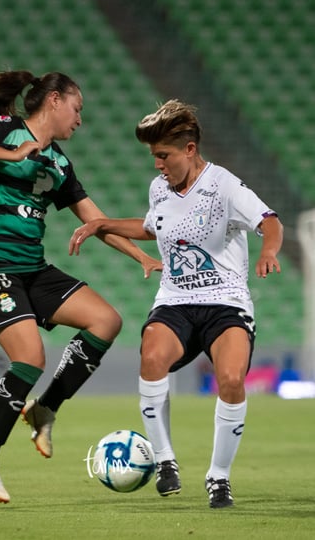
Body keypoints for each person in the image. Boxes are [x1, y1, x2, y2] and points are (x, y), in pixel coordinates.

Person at [0, 70, 161, 503]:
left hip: (31, 267)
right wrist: (10, 155)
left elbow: (93, 218)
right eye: (77, 109)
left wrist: (140, 255)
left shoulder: (59, 162)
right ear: (56, 101)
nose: (80, 119)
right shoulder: (6, 129)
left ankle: (46, 408)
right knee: (31, 357)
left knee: (105, 321)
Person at [69, 99, 283, 508]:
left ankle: (219, 478)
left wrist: (267, 251)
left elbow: (269, 221)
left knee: (233, 381)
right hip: (176, 301)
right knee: (151, 356)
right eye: (154, 157)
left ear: (189, 150)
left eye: (162, 155)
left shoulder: (224, 185)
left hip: (225, 303)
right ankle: (165, 461)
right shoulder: (160, 189)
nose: (157, 165)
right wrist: (103, 223)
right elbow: (154, 226)